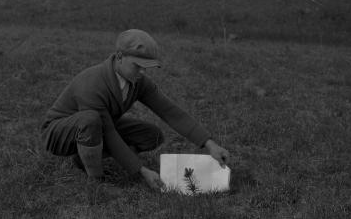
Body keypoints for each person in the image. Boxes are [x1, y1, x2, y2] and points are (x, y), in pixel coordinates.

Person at [41, 29, 230, 192]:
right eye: (138, 66)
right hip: (60, 134)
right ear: (120, 56)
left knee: (152, 135)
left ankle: (86, 158)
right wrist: (141, 170)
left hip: (98, 127)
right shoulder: (92, 84)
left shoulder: (138, 82)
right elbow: (108, 132)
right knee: (90, 120)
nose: (142, 72)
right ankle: (96, 184)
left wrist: (210, 144)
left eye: (147, 68)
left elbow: (170, 111)